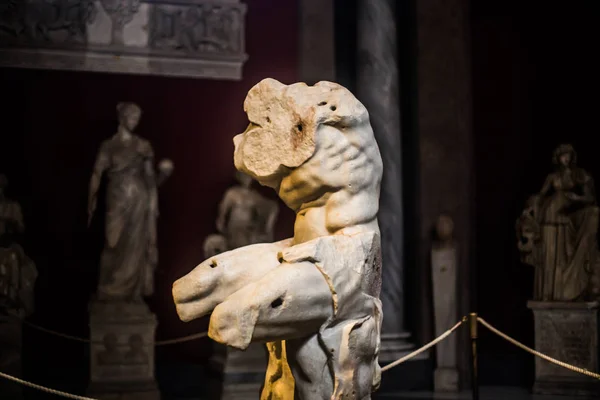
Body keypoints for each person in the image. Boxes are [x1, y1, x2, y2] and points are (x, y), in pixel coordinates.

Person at [88, 102, 173, 302]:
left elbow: (150, 181)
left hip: (139, 200)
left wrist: (163, 176)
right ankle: (108, 289)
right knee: (113, 242)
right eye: (132, 117)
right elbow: (96, 174)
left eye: (137, 119)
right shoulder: (109, 146)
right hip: (116, 199)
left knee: (135, 246)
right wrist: (90, 201)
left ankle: (132, 293)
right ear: (122, 118)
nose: (135, 122)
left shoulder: (143, 146)